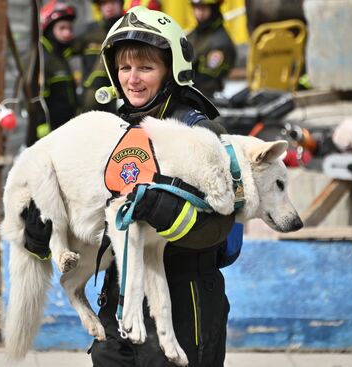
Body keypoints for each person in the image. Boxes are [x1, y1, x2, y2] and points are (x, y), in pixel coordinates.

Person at [23, 6, 244, 366]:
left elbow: (224, 229)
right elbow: (91, 212)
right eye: (125, 68)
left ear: (172, 70)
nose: (133, 79)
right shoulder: (111, 131)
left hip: (185, 304)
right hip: (119, 300)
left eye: (146, 68)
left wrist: (165, 211)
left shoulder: (201, 133)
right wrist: (43, 229)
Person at [29, 0, 78, 145]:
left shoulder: (60, 56)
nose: (67, 33)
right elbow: (38, 100)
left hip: (63, 132)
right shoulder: (43, 58)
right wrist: (42, 134)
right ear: (49, 29)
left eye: (69, 28)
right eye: (62, 28)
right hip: (48, 136)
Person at [73, 0, 123, 114]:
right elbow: (64, 51)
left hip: (121, 93)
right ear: (99, 7)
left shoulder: (129, 29)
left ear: (121, 4)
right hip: (91, 96)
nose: (109, 7)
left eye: (112, 2)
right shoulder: (89, 32)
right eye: (104, 4)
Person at [187, 0, 236, 97]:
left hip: (204, 99)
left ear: (214, 9)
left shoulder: (220, 42)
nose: (199, 13)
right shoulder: (192, 35)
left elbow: (206, 80)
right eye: (196, 8)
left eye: (204, 8)